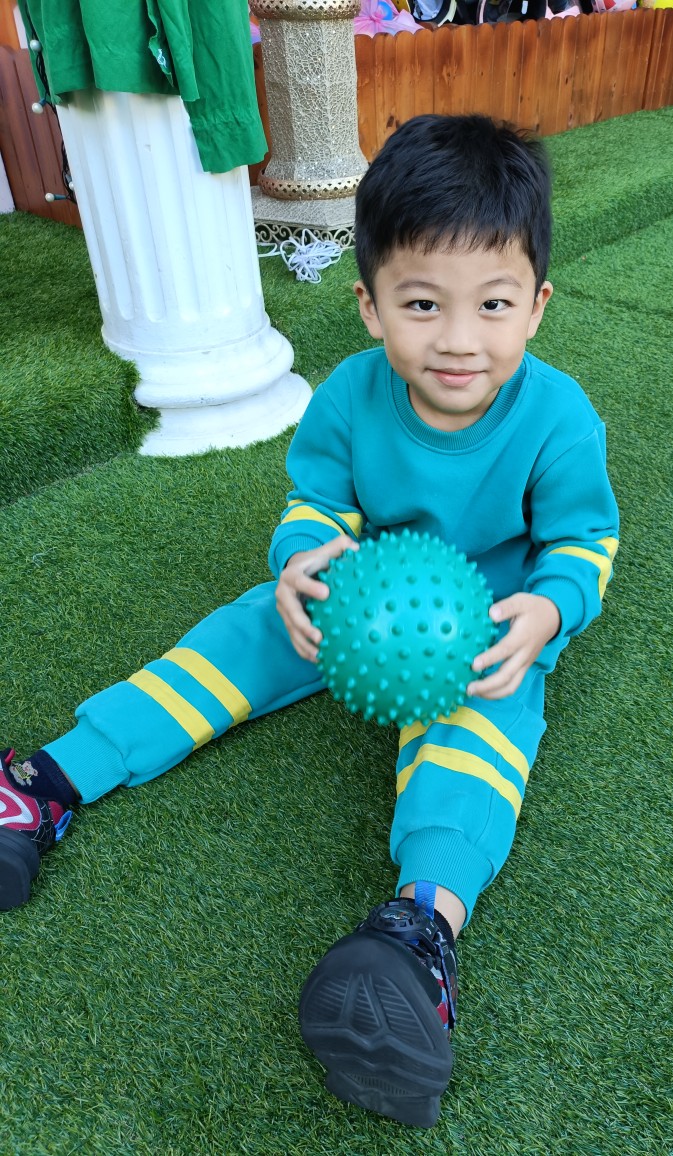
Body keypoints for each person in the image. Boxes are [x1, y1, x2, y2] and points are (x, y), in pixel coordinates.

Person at [0, 114, 619, 1128]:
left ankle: (419, 934)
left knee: (482, 737)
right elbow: (318, 502)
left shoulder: (558, 418)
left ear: (536, 305)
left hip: (483, 634)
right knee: (234, 639)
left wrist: (546, 612)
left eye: (493, 303)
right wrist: (300, 565)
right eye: (422, 303)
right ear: (369, 306)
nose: (458, 339)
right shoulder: (348, 396)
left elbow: (585, 541)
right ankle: (42, 786)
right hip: (352, 600)